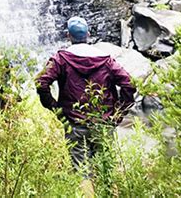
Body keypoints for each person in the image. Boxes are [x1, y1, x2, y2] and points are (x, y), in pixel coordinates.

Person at [36, 16, 136, 175]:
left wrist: (56, 109)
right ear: (88, 34)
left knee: (82, 173)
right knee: (106, 171)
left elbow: (41, 83)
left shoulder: (60, 59)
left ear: (68, 36)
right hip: (103, 123)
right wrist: (118, 114)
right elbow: (129, 84)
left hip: (75, 124)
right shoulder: (106, 60)